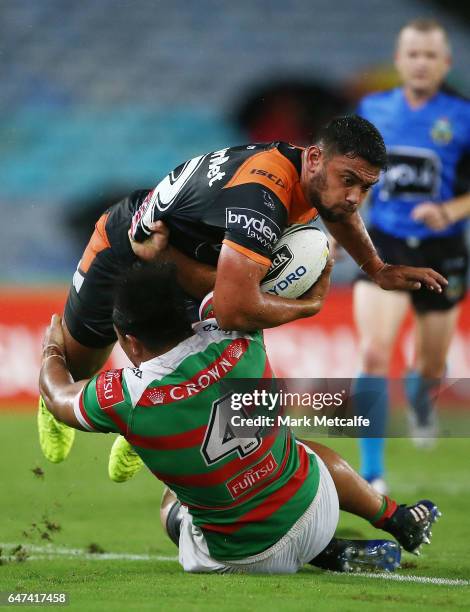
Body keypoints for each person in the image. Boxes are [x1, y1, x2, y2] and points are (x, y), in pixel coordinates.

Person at [38, 115, 447, 465]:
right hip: (125, 247)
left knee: (196, 377)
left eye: (365, 188)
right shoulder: (262, 197)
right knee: (80, 368)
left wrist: (376, 268)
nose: (355, 197)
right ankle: (51, 400)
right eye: (349, 181)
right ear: (315, 158)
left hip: (183, 262)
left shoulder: (313, 180)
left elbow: (338, 211)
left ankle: (137, 433)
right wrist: (308, 307)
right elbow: (235, 308)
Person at [39, 262, 439, 574]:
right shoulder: (236, 333)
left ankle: (329, 553)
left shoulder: (124, 396)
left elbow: (57, 396)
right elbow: (237, 283)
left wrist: (52, 350)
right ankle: (394, 516)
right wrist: (316, 286)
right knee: (292, 448)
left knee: (173, 502)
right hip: (319, 509)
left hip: (241, 559)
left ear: (130, 341)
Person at [354, 18, 470, 491]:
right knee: (373, 352)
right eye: (413, 54)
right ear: (399, 61)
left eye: (430, 56)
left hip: (443, 252)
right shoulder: (373, 109)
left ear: (446, 63)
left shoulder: (462, 116)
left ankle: (423, 400)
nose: (421, 63)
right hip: (386, 246)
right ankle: (372, 473)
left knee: (428, 365)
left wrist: (450, 210)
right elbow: (351, 175)